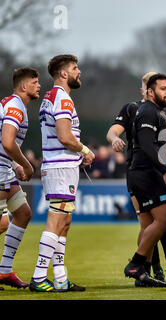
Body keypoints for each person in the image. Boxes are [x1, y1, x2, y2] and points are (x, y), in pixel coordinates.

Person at [106, 71, 166, 284]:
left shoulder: (164, 112)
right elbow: (144, 144)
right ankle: (138, 265)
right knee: (164, 219)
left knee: (150, 225)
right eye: (162, 88)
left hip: (146, 171)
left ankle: (143, 272)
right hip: (146, 172)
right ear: (148, 90)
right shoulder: (142, 110)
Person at [30, 54, 95, 292]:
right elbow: (65, 136)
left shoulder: (51, 98)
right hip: (60, 168)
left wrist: (77, 156)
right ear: (64, 73)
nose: (79, 72)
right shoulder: (62, 99)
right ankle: (38, 277)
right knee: (56, 220)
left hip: (60, 165)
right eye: (75, 68)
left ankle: (59, 278)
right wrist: (85, 151)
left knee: (64, 222)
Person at [0, 67, 40, 290]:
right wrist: (26, 164)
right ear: (23, 86)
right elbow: (7, 142)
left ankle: (4, 272)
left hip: (5, 168)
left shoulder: (10, 103)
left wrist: (15, 164)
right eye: (34, 82)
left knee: (23, 214)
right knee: (3, 222)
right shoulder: (16, 107)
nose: (38, 86)